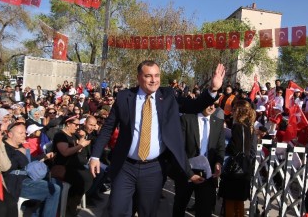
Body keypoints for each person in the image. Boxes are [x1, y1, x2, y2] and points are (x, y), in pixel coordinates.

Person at [89, 60, 225, 217]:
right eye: (148, 76)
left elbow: (194, 106)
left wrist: (213, 89)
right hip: (125, 167)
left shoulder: (168, 96)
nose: (154, 80)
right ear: (139, 77)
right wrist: (95, 155)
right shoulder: (125, 97)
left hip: (153, 169)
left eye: (157, 75)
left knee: (148, 212)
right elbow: (107, 128)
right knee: (116, 210)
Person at [172, 104, 225, 217]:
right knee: (179, 207)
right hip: (186, 171)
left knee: (204, 211)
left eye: (215, 105)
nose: (212, 107)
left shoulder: (218, 123)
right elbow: (179, 148)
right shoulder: (187, 119)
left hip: (208, 174)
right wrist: (189, 173)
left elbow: (220, 148)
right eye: (209, 104)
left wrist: (218, 162)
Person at [3, 122, 60, 217]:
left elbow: (30, 161)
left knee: (50, 186)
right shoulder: (5, 148)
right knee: (54, 190)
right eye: (20, 133)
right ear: (10, 134)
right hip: (16, 183)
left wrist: (45, 157)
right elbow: (9, 166)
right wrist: (20, 153)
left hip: (26, 179)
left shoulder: (19, 147)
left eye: (25, 133)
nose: (24, 135)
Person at [218, 100, 257, 217]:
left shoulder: (237, 126)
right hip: (245, 167)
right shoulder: (250, 126)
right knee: (240, 200)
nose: (232, 112)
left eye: (234, 109)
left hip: (235, 168)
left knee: (229, 199)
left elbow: (234, 148)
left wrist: (225, 146)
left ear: (238, 111)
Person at [51, 115, 93, 216]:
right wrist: (80, 145)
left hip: (73, 165)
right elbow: (65, 152)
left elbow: (78, 150)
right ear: (68, 124)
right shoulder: (60, 135)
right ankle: (69, 207)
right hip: (63, 166)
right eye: (75, 124)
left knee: (89, 176)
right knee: (81, 180)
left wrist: (82, 140)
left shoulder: (73, 136)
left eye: (79, 125)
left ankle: (72, 203)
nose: (77, 127)